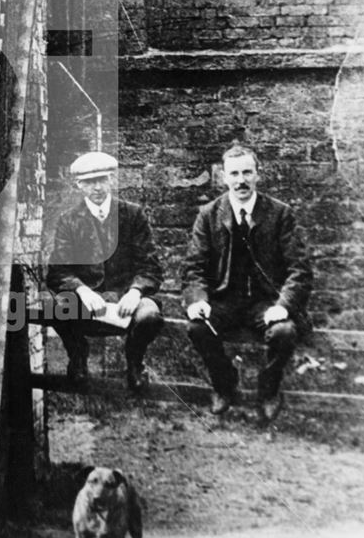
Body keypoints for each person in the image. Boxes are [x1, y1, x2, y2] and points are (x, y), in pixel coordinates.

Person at [182, 143, 313, 423]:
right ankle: (224, 382)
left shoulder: (280, 214)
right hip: (225, 301)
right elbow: (193, 266)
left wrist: (284, 305)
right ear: (224, 177)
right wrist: (198, 300)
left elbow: (299, 269)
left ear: (257, 174)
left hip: (266, 303)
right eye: (234, 174)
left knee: (284, 332)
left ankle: (269, 388)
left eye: (247, 173)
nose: (241, 181)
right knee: (196, 327)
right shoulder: (209, 214)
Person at [46, 151, 165, 393]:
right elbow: (59, 270)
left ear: (111, 179)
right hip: (87, 300)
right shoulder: (68, 220)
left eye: (101, 179)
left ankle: (134, 363)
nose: (97, 187)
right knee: (56, 308)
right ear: (79, 185)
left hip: (126, 296)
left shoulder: (132, 214)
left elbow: (150, 266)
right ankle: (77, 356)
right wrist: (82, 291)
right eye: (89, 182)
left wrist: (135, 292)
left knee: (150, 316)